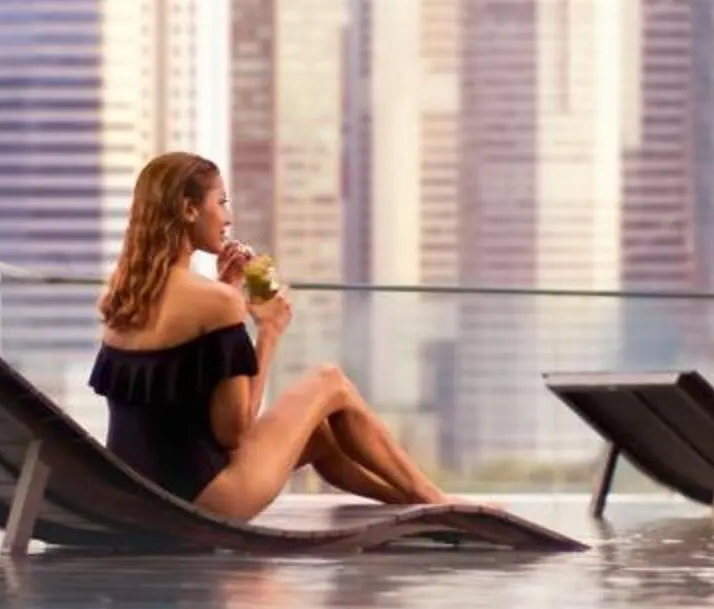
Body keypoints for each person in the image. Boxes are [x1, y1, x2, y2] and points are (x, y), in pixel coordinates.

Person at [88, 152, 451, 520]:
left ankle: (414, 505)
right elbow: (234, 432)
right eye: (222, 202)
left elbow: (174, 410)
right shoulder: (217, 303)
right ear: (189, 209)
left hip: (139, 496)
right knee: (331, 381)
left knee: (319, 438)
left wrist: (225, 295)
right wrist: (269, 330)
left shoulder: (121, 300)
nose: (228, 218)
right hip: (204, 502)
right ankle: (434, 498)